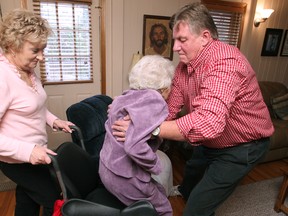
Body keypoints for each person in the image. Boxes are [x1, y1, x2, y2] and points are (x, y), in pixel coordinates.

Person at [112, 2, 274, 216]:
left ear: (205, 37)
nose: (175, 47)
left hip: (243, 145)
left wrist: (145, 128)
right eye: (175, 40)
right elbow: (169, 108)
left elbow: (208, 122)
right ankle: (189, 193)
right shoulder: (183, 67)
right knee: (190, 178)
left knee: (196, 208)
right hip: (211, 141)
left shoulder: (226, 62)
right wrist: (135, 113)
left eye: (182, 40)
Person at [0, 9, 74, 216]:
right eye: (35, 50)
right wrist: (28, 151)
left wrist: (54, 120)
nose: (41, 57)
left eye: (43, 49)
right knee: (53, 197)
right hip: (16, 159)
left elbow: (34, 106)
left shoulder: (28, 71)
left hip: (35, 153)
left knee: (27, 200)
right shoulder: (3, 77)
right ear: (13, 45)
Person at [99, 55, 175, 216]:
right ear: (165, 87)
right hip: (124, 177)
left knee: (159, 190)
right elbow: (134, 146)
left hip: (107, 170)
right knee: (164, 210)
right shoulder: (155, 100)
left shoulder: (124, 97)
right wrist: (155, 165)